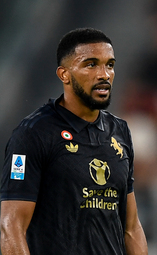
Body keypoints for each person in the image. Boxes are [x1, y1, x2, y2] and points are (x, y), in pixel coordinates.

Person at [0, 28, 148, 255]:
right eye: (91, 64)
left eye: (110, 65)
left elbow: (131, 227)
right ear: (64, 74)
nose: (104, 74)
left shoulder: (120, 131)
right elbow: (11, 226)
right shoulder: (33, 134)